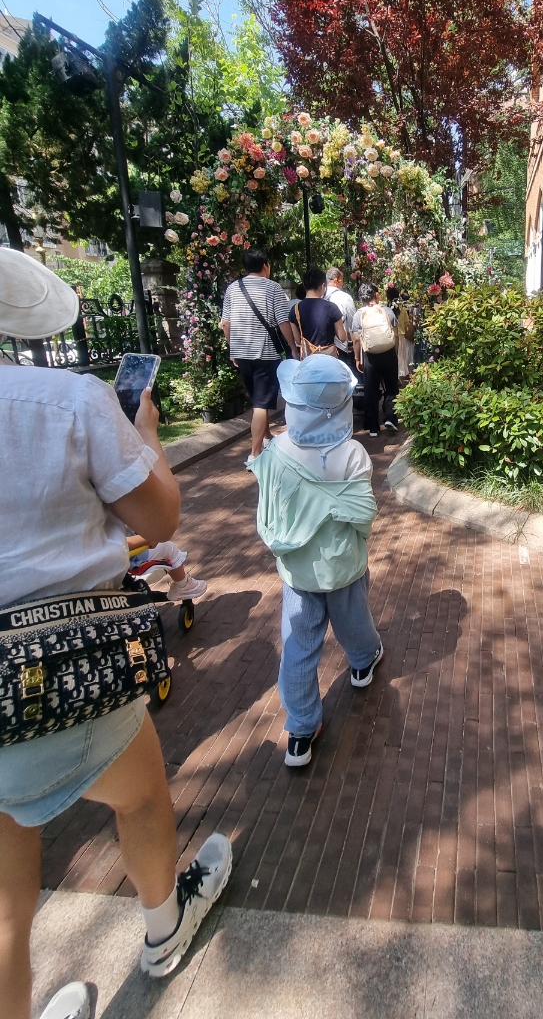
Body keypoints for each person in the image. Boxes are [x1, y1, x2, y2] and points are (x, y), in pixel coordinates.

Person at [0, 249, 231, 1019]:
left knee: (5, 900)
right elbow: (159, 518)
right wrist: (148, 434)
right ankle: (165, 927)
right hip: (66, 667)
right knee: (139, 799)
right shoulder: (68, 400)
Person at [251, 356, 383, 769]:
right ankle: (363, 664)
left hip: (298, 571)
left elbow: (269, 502)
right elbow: (363, 516)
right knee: (354, 620)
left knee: (299, 646)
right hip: (342, 564)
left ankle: (302, 729)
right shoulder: (353, 454)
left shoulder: (277, 451)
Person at [220, 247, 300, 468]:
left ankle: (266, 437)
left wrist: (232, 348)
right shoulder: (272, 288)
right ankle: (255, 455)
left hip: (242, 353)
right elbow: (283, 322)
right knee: (261, 404)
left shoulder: (233, 288)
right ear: (265, 265)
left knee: (257, 399)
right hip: (265, 353)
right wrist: (292, 348)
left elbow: (225, 323)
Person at [350, 283, 399, 438]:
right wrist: (394, 353)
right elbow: (395, 335)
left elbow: (356, 340)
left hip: (370, 356)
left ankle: (372, 427)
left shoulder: (359, 315)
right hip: (389, 353)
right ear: (376, 295)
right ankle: (390, 418)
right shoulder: (387, 311)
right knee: (391, 388)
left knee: (371, 390)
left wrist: (357, 358)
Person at [126, 535, 208, 601]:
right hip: (125, 565)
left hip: (121, 561)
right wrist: (148, 539)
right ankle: (183, 586)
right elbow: (117, 545)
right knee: (168, 547)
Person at [289, 267, 348, 358]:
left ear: (305, 286)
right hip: (329, 360)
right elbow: (342, 338)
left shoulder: (295, 309)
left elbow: (298, 340)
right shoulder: (332, 307)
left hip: (308, 361)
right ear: (323, 286)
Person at [324, 266, 357, 371]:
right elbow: (353, 325)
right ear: (336, 281)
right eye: (342, 280)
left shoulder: (319, 296)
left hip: (321, 348)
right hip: (340, 348)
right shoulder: (345, 297)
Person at [386, 285, 416, 380]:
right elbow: (407, 324)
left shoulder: (386, 309)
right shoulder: (402, 309)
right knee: (400, 357)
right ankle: (399, 377)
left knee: (391, 357)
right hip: (401, 336)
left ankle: (392, 376)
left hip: (389, 335)